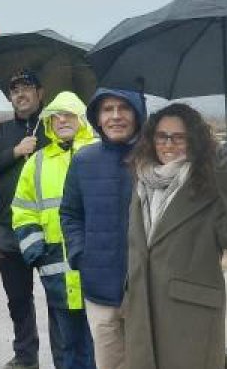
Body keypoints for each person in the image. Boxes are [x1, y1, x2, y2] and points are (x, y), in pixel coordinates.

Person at [123, 103, 227, 368]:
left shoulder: (210, 181)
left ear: (194, 141)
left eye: (179, 137)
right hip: (143, 309)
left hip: (190, 315)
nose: (168, 144)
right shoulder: (143, 181)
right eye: (162, 136)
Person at [59, 88, 147, 369]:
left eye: (124, 108)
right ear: (98, 117)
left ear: (138, 113)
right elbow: (70, 213)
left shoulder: (153, 159)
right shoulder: (84, 160)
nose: (116, 116)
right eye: (108, 109)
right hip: (99, 287)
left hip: (146, 288)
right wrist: (79, 254)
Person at [11, 91, 97, 369]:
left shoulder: (100, 155)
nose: (61, 120)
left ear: (82, 118)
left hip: (97, 270)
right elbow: (23, 209)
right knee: (66, 344)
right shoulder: (36, 162)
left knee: (99, 342)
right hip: (56, 270)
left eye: (68, 114)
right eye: (55, 116)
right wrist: (36, 250)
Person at [0, 70, 51, 369]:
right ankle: (26, 355)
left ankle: (65, 356)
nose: (20, 94)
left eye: (26, 88)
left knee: (59, 298)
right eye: (15, 90)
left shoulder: (54, 128)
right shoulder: (3, 132)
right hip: (9, 228)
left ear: (40, 93)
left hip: (49, 228)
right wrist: (16, 152)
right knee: (18, 299)